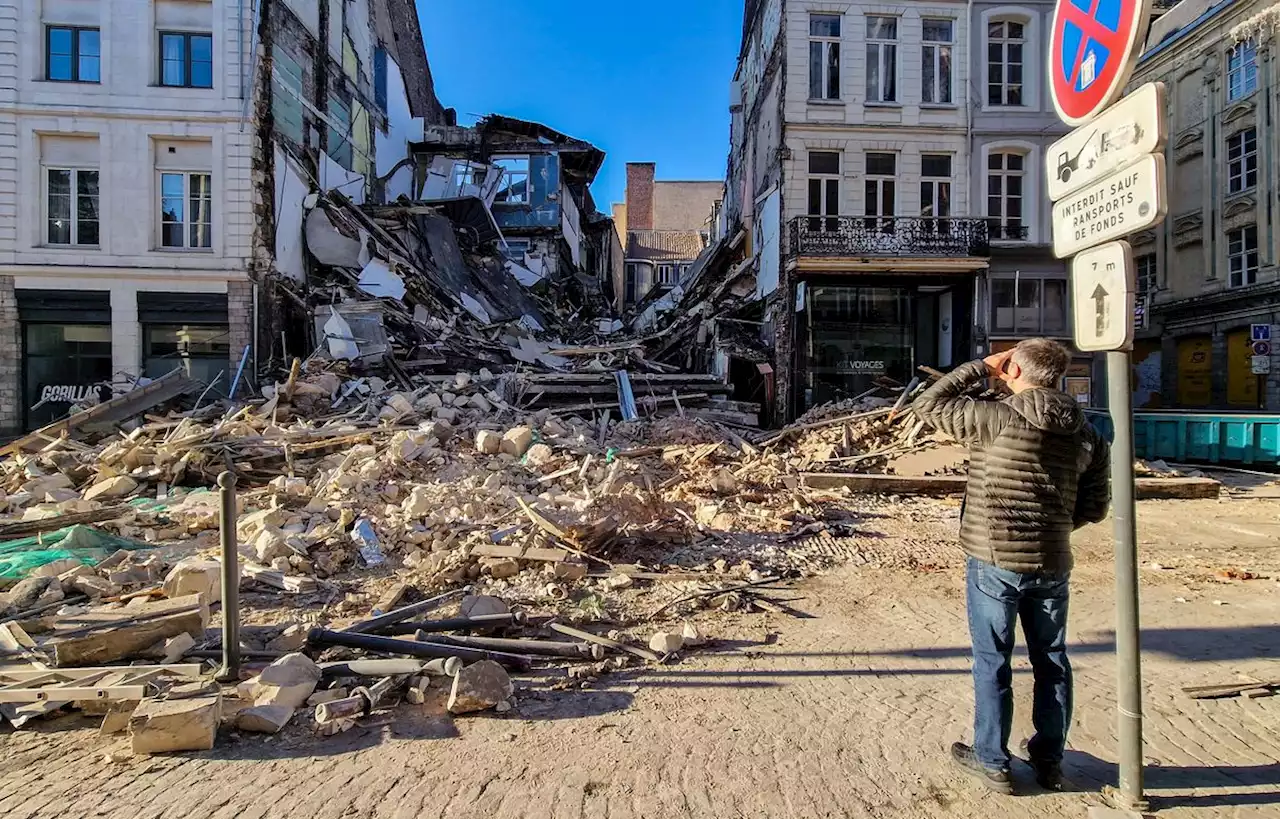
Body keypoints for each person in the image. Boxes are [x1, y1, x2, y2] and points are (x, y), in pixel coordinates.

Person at [911, 338, 1111, 795]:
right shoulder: (1088, 435)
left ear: (1014, 371)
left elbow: (928, 404)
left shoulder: (996, 419)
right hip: (1053, 560)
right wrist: (1053, 527)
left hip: (994, 559)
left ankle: (993, 760)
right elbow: (1095, 507)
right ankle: (1049, 759)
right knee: (1052, 660)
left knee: (992, 661)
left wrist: (979, 366)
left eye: (1005, 368)